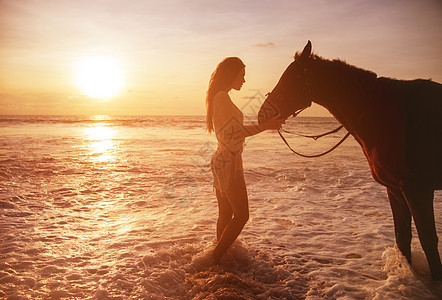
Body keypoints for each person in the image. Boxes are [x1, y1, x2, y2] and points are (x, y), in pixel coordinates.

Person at [206, 57, 285, 262]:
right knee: (241, 216)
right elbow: (234, 132)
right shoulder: (222, 97)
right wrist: (267, 125)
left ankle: (220, 256)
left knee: (226, 213)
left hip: (223, 160)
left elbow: (231, 133)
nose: (243, 80)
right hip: (228, 163)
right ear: (230, 74)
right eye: (241, 75)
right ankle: (215, 258)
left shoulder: (220, 96)